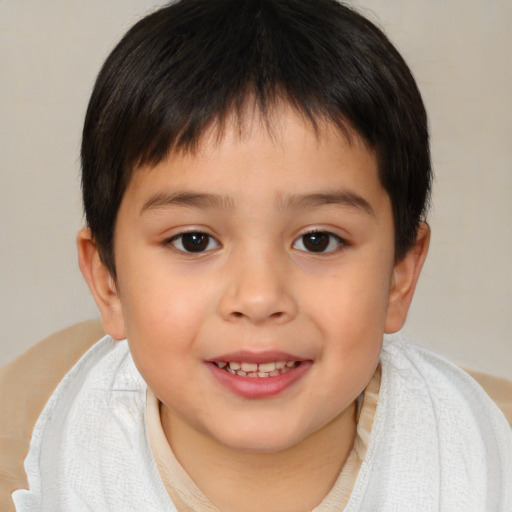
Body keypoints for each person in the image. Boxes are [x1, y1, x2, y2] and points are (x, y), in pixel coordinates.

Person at [8, 0, 512, 510]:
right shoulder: (37, 440)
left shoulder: (470, 464)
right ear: (107, 281)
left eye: (318, 240)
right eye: (194, 240)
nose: (258, 297)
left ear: (399, 276)